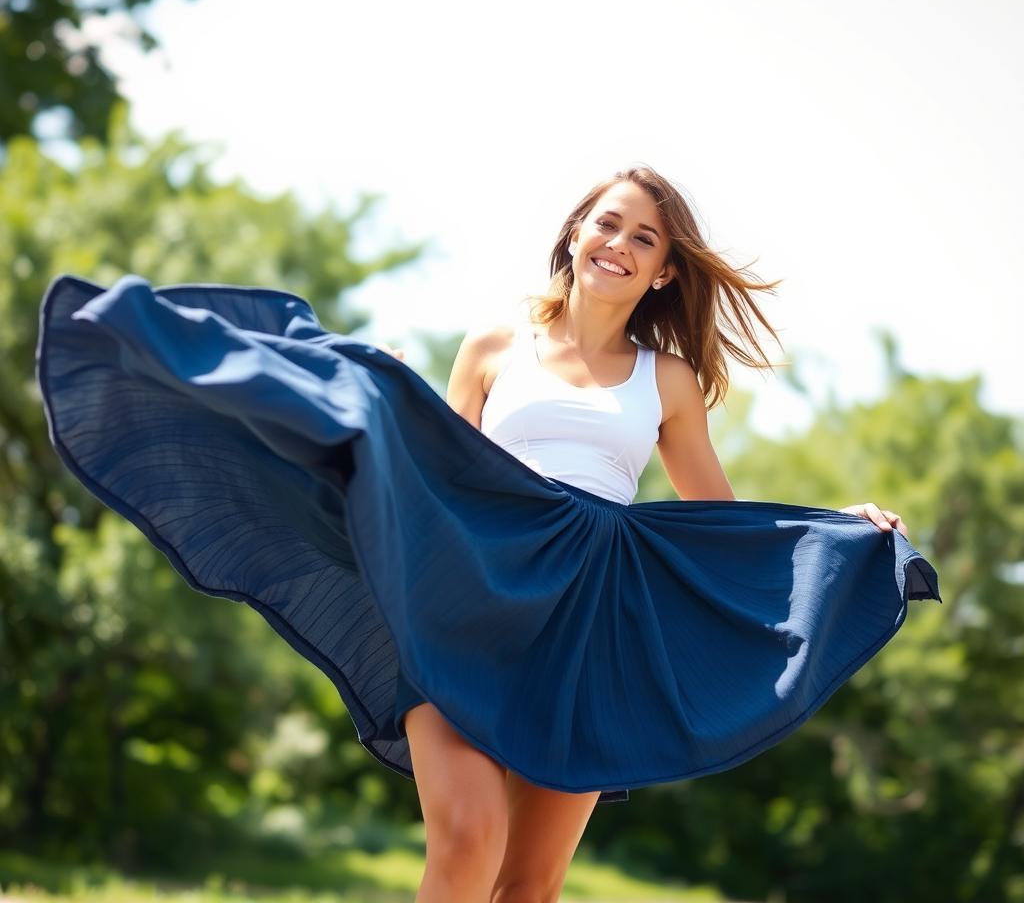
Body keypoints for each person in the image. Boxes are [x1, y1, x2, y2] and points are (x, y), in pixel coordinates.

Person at [35, 164, 940, 903]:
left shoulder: (665, 382)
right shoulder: (496, 345)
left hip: (591, 631)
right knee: (467, 841)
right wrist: (385, 402)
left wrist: (839, 531)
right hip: (473, 598)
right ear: (574, 234)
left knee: (532, 886)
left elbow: (723, 520)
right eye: (606, 223)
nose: (618, 244)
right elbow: (443, 475)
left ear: (665, 270)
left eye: (644, 237)